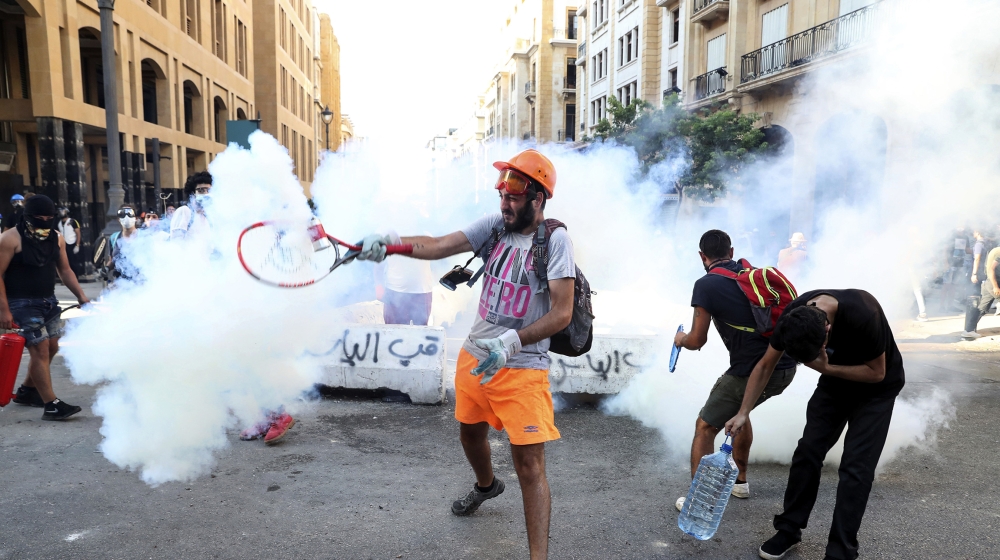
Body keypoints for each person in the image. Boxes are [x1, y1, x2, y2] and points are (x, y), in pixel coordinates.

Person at [356, 149, 573, 560]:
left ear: (538, 198)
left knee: (530, 467)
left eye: (513, 197)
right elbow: (440, 245)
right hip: (475, 357)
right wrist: (391, 246)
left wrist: (512, 342)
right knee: (470, 434)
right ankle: (487, 486)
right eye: (502, 196)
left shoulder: (555, 241)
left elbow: (562, 312)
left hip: (523, 368)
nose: (505, 204)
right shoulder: (495, 227)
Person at [725, 289, 904, 560]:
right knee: (807, 451)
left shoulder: (864, 312)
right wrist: (743, 412)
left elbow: (877, 372)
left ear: (827, 330)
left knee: (856, 468)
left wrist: (826, 368)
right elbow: (765, 365)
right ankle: (788, 530)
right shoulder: (793, 318)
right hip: (835, 384)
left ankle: (840, 552)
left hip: (877, 390)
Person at [673, 230, 798, 511]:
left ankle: (698, 502)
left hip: (753, 371)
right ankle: (739, 483)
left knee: (705, 427)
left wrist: (680, 339)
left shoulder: (705, 285)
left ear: (702, 256)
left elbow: (697, 340)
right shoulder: (750, 274)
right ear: (731, 252)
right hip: (786, 366)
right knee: (740, 410)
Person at [1, 194, 90, 419]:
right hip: (21, 302)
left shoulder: (57, 238)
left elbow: (65, 270)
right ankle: (51, 405)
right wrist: (4, 310)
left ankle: (28, 391)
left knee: (52, 347)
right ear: (27, 216)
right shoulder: (10, 239)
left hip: (48, 301)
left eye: (49, 218)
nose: (44, 222)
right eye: (39, 218)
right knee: (39, 348)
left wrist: (81, 296)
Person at [374, 254, 434, 325]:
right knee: (393, 330)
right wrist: (379, 287)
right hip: (394, 293)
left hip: (422, 293)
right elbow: (379, 263)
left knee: (421, 330)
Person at [962, 243, 1000, 339]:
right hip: (994, 283)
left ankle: (968, 330)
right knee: (981, 308)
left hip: (989, 283)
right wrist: (995, 286)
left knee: (982, 308)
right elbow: (991, 269)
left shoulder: (995, 250)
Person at [170, 171, 212, 240]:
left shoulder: (206, 218)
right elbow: (176, 242)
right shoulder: (184, 211)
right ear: (192, 193)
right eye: (201, 190)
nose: (206, 194)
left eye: (209, 190)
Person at [57, 207, 83, 279]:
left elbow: (78, 233)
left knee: (73, 262)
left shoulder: (72, 221)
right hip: (64, 244)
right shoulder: (59, 223)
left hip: (72, 243)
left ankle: (75, 277)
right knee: (65, 262)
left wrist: (77, 245)